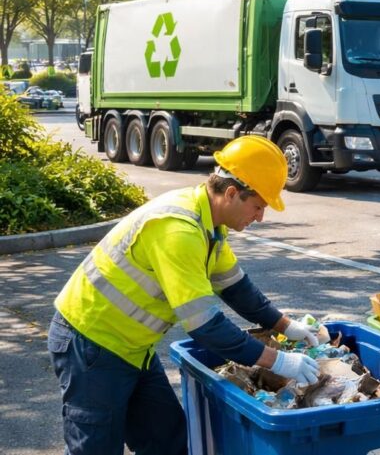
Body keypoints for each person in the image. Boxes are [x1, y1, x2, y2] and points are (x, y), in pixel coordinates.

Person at [48, 136, 322, 454]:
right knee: (96, 449)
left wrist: (287, 326)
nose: (260, 217)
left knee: (168, 441)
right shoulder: (178, 230)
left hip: (131, 348)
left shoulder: (209, 226)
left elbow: (238, 289)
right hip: (91, 346)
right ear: (232, 193)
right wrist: (279, 361)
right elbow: (206, 327)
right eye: (258, 206)